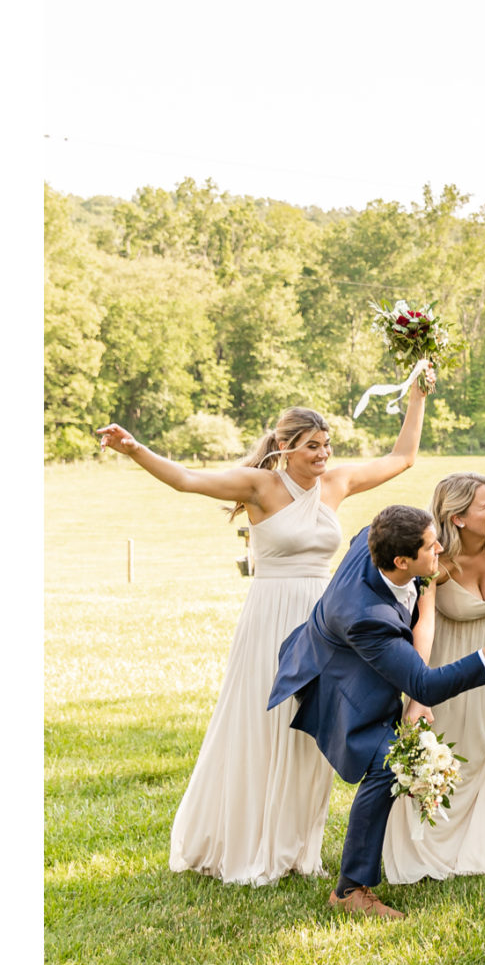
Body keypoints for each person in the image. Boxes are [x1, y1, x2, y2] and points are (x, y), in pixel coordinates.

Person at [96, 371, 432, 885]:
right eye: (312, 447)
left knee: (314, 729)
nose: (323, 455)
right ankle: (251, 843)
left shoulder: (336, 483)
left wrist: (417, 396)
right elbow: (187, 479)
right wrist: (136, 449)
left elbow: (401, 458)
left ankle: (298, 846)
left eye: (327, 445)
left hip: (324, 621)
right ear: (284, 447)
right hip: (271, 618)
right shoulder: (259, 485)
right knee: (263, 725)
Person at [267, 505, 485, 918]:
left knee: (394, 758)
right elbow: (422, 684)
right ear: (402, 561)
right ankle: (351, 890)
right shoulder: (366, 616)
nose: (440, 546)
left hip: (361, 659)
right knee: (388, 761)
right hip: (338, 683)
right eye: (430, 545)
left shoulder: (377, 535)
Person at [381, 472, 485, 883]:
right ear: (458, 518)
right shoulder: (438, 565)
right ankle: (436, 845)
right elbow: (423, 626)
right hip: (451, 667)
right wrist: (418, 694)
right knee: (447, 758)